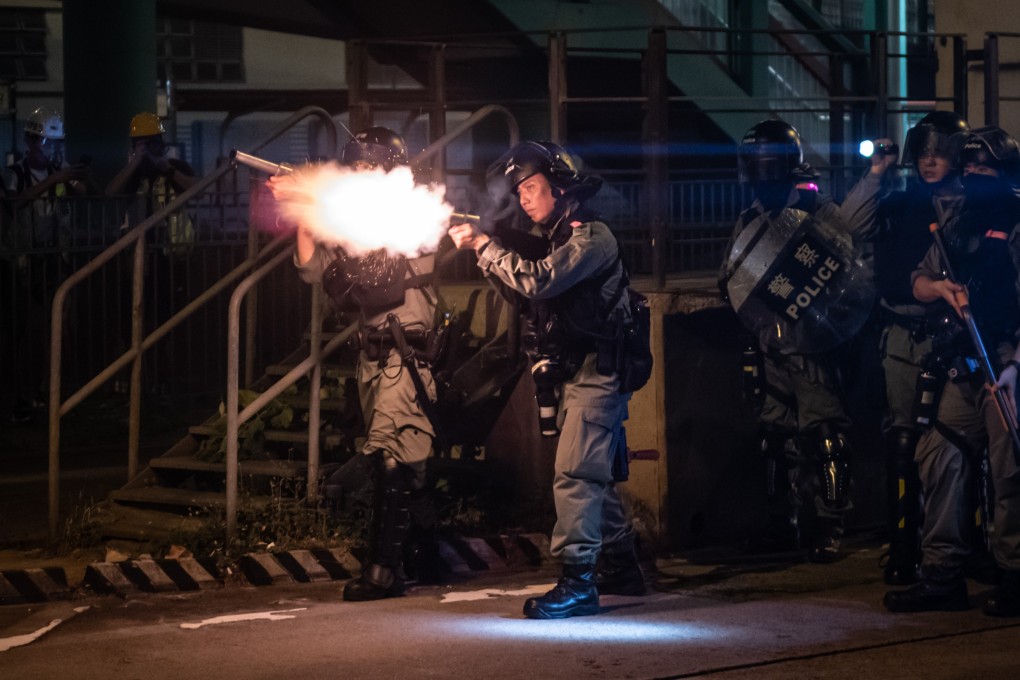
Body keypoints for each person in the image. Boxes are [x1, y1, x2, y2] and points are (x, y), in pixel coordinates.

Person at [449, 141, 646, 620]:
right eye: (519, 192)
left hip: (599, 370)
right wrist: (486, 248)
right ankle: (621, 566)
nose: (525, 199)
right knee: (591, 475)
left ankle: (579, 583)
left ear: (562, 187)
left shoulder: (590, 237)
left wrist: (485, 245)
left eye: (533, 187)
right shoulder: (557, 238)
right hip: (579, 369)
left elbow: (538, 280)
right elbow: (526, 294)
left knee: (575, 474)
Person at [273, 126, 441, 601]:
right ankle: (427, 554)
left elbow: (376, 273)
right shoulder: (352, 219)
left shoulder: (410, 212)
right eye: (356, 168)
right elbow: (315, 270)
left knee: (391, 452)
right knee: (405, 453)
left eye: (370, 167)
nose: (361, 175)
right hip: (374, 357)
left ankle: (384, 571)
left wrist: (320, 200)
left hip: (405, 352)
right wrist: (304, 210)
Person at [884, 126, 1020, 616]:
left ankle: (1015, 573)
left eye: (986, 169)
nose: (976, 177)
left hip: (1006, 362)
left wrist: (1016, 366)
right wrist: (938, 289)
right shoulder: (959, 220)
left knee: (1010, 472)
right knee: (939, 451)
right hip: (964, 357)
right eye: (970, 169)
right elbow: (917, 276)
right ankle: (942, 574)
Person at [719, 119, 869, 564]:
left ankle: (830, 524)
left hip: (813, 345)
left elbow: (847, 279)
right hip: (767, 346)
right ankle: (782, 522)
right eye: (756, 164)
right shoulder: (749, 219)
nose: (763, 174)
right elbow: (731, 279)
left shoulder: (819, 215)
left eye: (770, 164)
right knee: (774, 437)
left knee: (825, 435)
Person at [841, 111, 969, 584]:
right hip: (902, 332)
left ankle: (961, 545)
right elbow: (849, 224)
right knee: (903, 441)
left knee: (953, 447)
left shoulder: (970, 204)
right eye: (924, 152)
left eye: (940, 152)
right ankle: (903, 545)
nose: (930, 161)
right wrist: (879, 171)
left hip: (952, 336)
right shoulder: (901, 204)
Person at [4, 106, 92, 421]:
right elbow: (15, 202)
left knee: (51, 330)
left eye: (55, 144)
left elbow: (86, 193)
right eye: (44, 143)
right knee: (22, 332)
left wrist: (71, 176)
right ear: (29, 142)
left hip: (52, 259)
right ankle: (19, 397)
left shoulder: (59, 170)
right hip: (21, 260)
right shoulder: (15, 173)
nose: (50, 149)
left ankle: (44, 393)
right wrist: (57, 177)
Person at [105, 112, 197, 393]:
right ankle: (136, 382)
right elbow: (110, 193)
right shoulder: (131, 175)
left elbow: (199, 189)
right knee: (131, 320)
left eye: (152, 143)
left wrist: (165, 168)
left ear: (161, 142)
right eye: (141, 144)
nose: (148, 150)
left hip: (169, 255)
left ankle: (165, 381)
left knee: (167, 321)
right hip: (135, 259)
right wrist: (135, 165)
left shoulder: (174, 167)